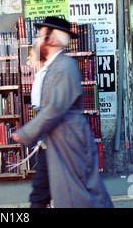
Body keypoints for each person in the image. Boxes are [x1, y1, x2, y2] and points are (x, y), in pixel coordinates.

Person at [12, 16, 113, 208]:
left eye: (40, 36)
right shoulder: (54, 67)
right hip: (57, 142)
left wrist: (26, 133)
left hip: (68, 142)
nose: (37, 41)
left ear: (50, 40)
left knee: (81, 197)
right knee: (47, 196)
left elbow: (54, 109)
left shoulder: (64, 67)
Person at [26, 40, 51, 208]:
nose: (28, 59)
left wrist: (43, 139)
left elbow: (48, 110)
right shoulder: (40, 75)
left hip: (50, 142)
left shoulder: (45, 77)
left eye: (30, 55)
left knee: (39, 194)